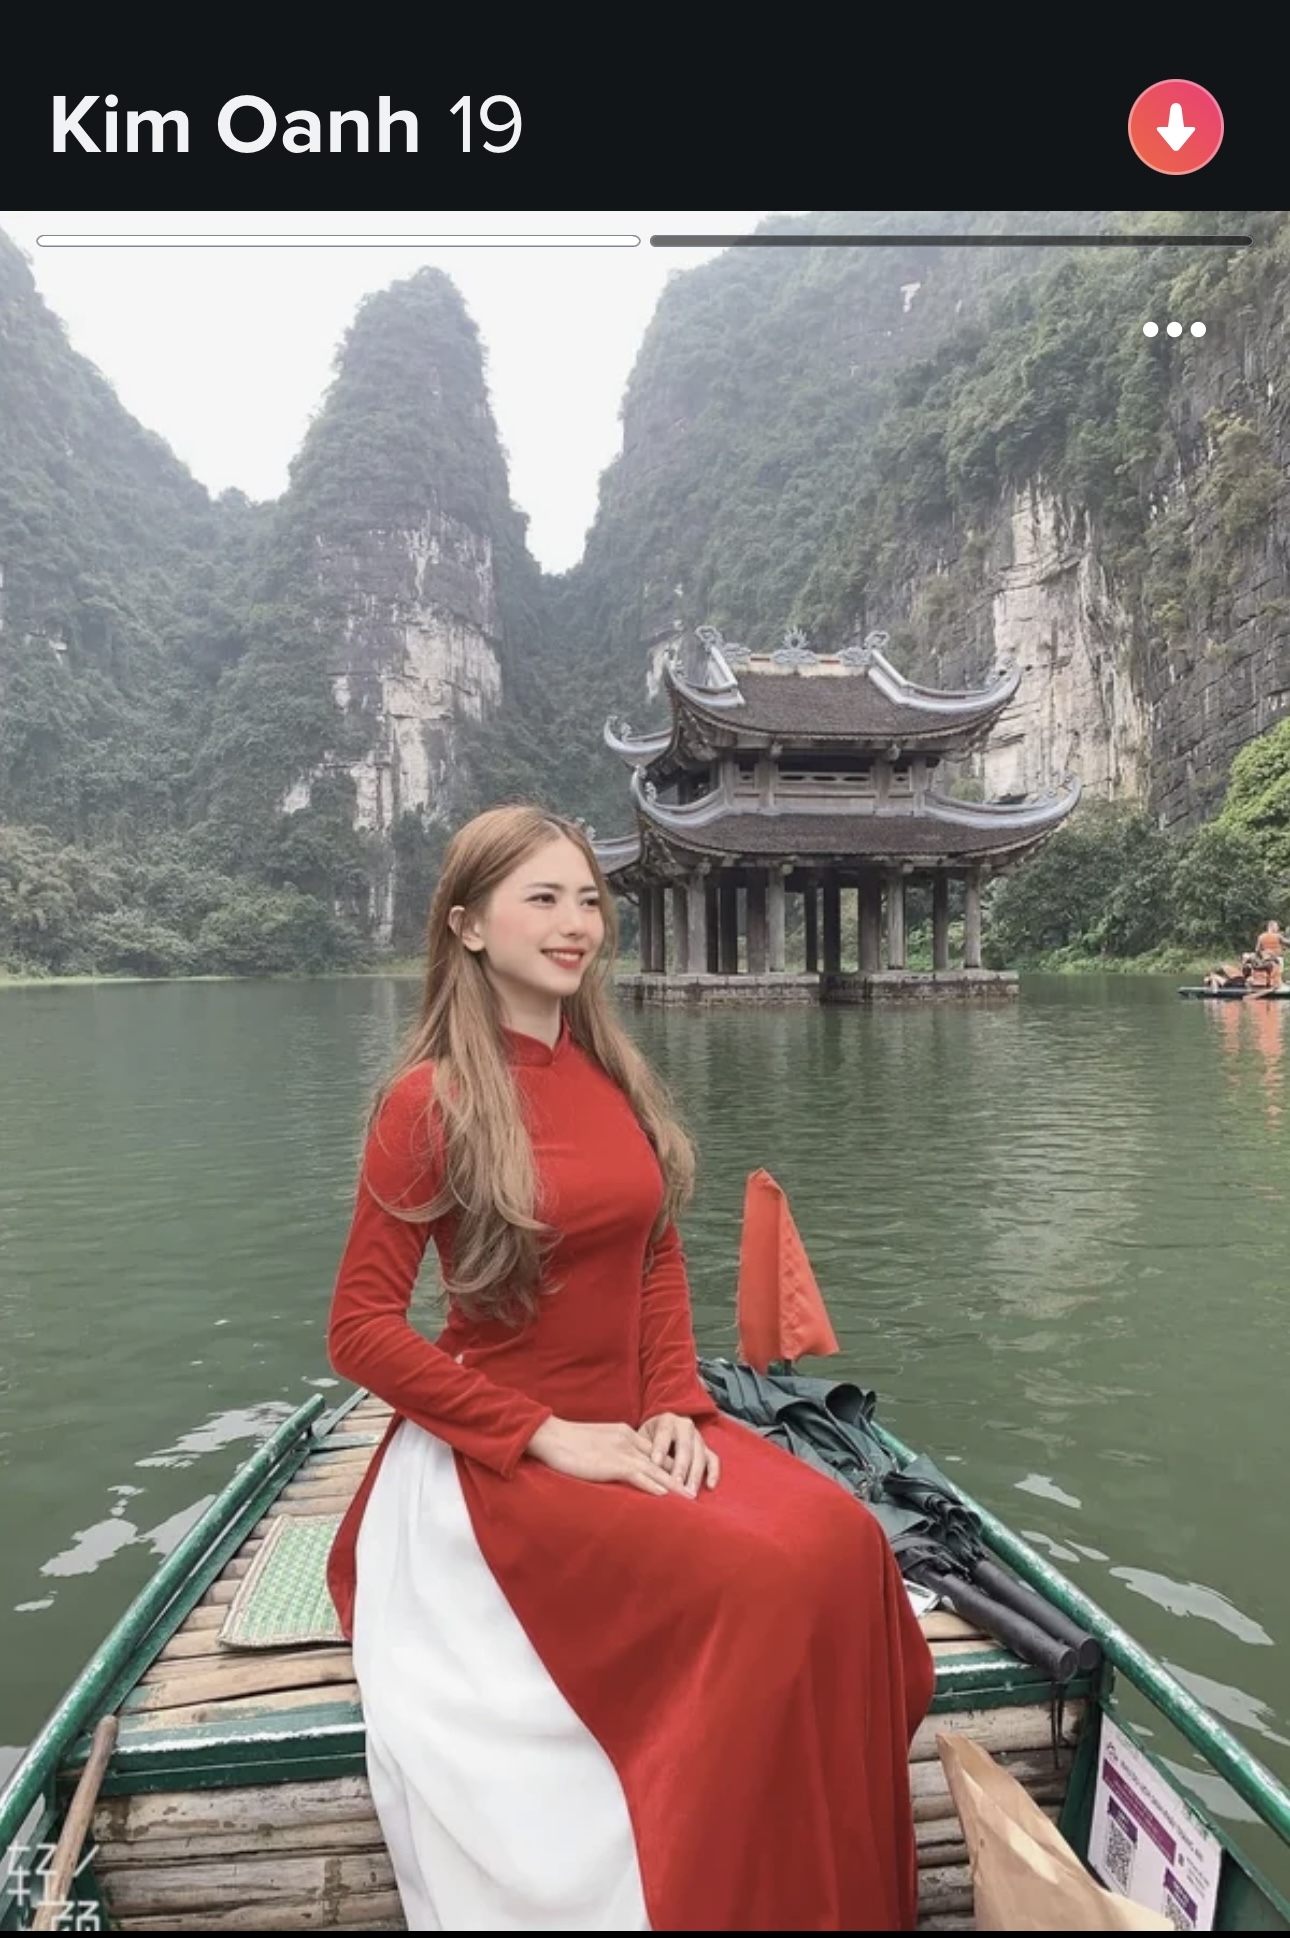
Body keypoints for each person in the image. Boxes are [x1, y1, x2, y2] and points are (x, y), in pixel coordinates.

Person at [325, 803, 935, 1932]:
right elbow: (360, 1329)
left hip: (644, 1423)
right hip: (509, 1459)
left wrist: (675, 1404)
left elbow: (655, 1254)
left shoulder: (610, 1074)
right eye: (542, 899)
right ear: (467, 925)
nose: (576, 924)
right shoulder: (428, 1101)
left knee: (846, 1543)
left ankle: (827, 1881)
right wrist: (543, 1435)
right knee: (762, 1583)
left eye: (588, 900)